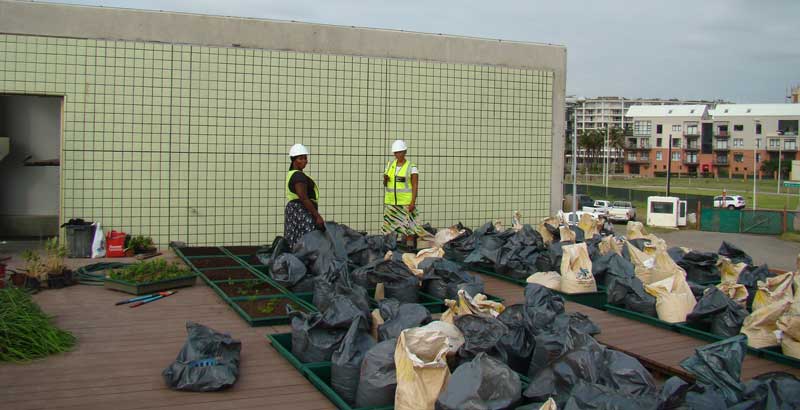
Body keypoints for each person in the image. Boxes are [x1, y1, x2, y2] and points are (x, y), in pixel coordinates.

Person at [382, 139, 427, 248]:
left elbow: (415, 185)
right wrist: (385, 179)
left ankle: (409, 248)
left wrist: (412, 202)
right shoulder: (390, 165)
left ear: (405, 152)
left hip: (406, 203)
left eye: (400, 152)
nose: (397, 155)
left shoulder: (412, 167)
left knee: (409, 228)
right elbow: (385, 184)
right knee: (390, 228)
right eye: (395, 152)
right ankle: (391, 249)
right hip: (391, 203)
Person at [285, 144, 324, 247]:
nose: (304, 161)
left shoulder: (293, 174)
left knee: (295, 238)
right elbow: (303, 197)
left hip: (294, 210)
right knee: (308, 240)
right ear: (293, 160)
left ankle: (295, 260)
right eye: (300, 158)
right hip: (301, 211)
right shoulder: (298, 176)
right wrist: (317, 216)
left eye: (305, 158)